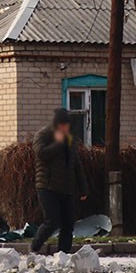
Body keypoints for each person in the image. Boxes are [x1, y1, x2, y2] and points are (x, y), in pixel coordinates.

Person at [30, 108, 88, 255]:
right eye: (62, 125)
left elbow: (76, 163)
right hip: (47, 186)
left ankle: (63, 253)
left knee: (68, 223)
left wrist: (83, 187)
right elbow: (41, 153)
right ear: (56, 124)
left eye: (67, 125)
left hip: (66, 187)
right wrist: (58, 143)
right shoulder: (44, 135)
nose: (65, 128)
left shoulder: (70, 139)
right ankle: (34, 247)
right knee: (52, 220)